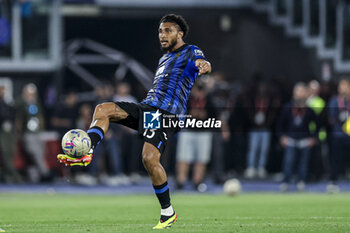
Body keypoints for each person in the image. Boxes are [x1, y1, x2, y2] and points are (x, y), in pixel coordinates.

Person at [57, 14, 211, 229]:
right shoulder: (164, 59)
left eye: (168, 30)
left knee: (149, 158)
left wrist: (203, 66)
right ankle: (88, 148)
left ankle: (167, 212)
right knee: (104, 109)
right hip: (148, 109)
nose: (162, 35)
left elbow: (202, 62)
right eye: (160, 31)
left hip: (167, 115)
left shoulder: (190, 51)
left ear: (180, 33)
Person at [277, 83, 318, 192]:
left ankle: (301, 182)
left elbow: (318, 125)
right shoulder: (287, 108)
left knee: (303, 164)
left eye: (302, 92)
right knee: (288, 162)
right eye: (298, 92)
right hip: (290, 139)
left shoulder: (309, 110)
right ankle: (286, 182)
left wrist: (314, 138)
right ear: (294, 94)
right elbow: (280, 124)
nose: (300, 94)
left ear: (306, 94)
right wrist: (282, 137)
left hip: (304, 140)